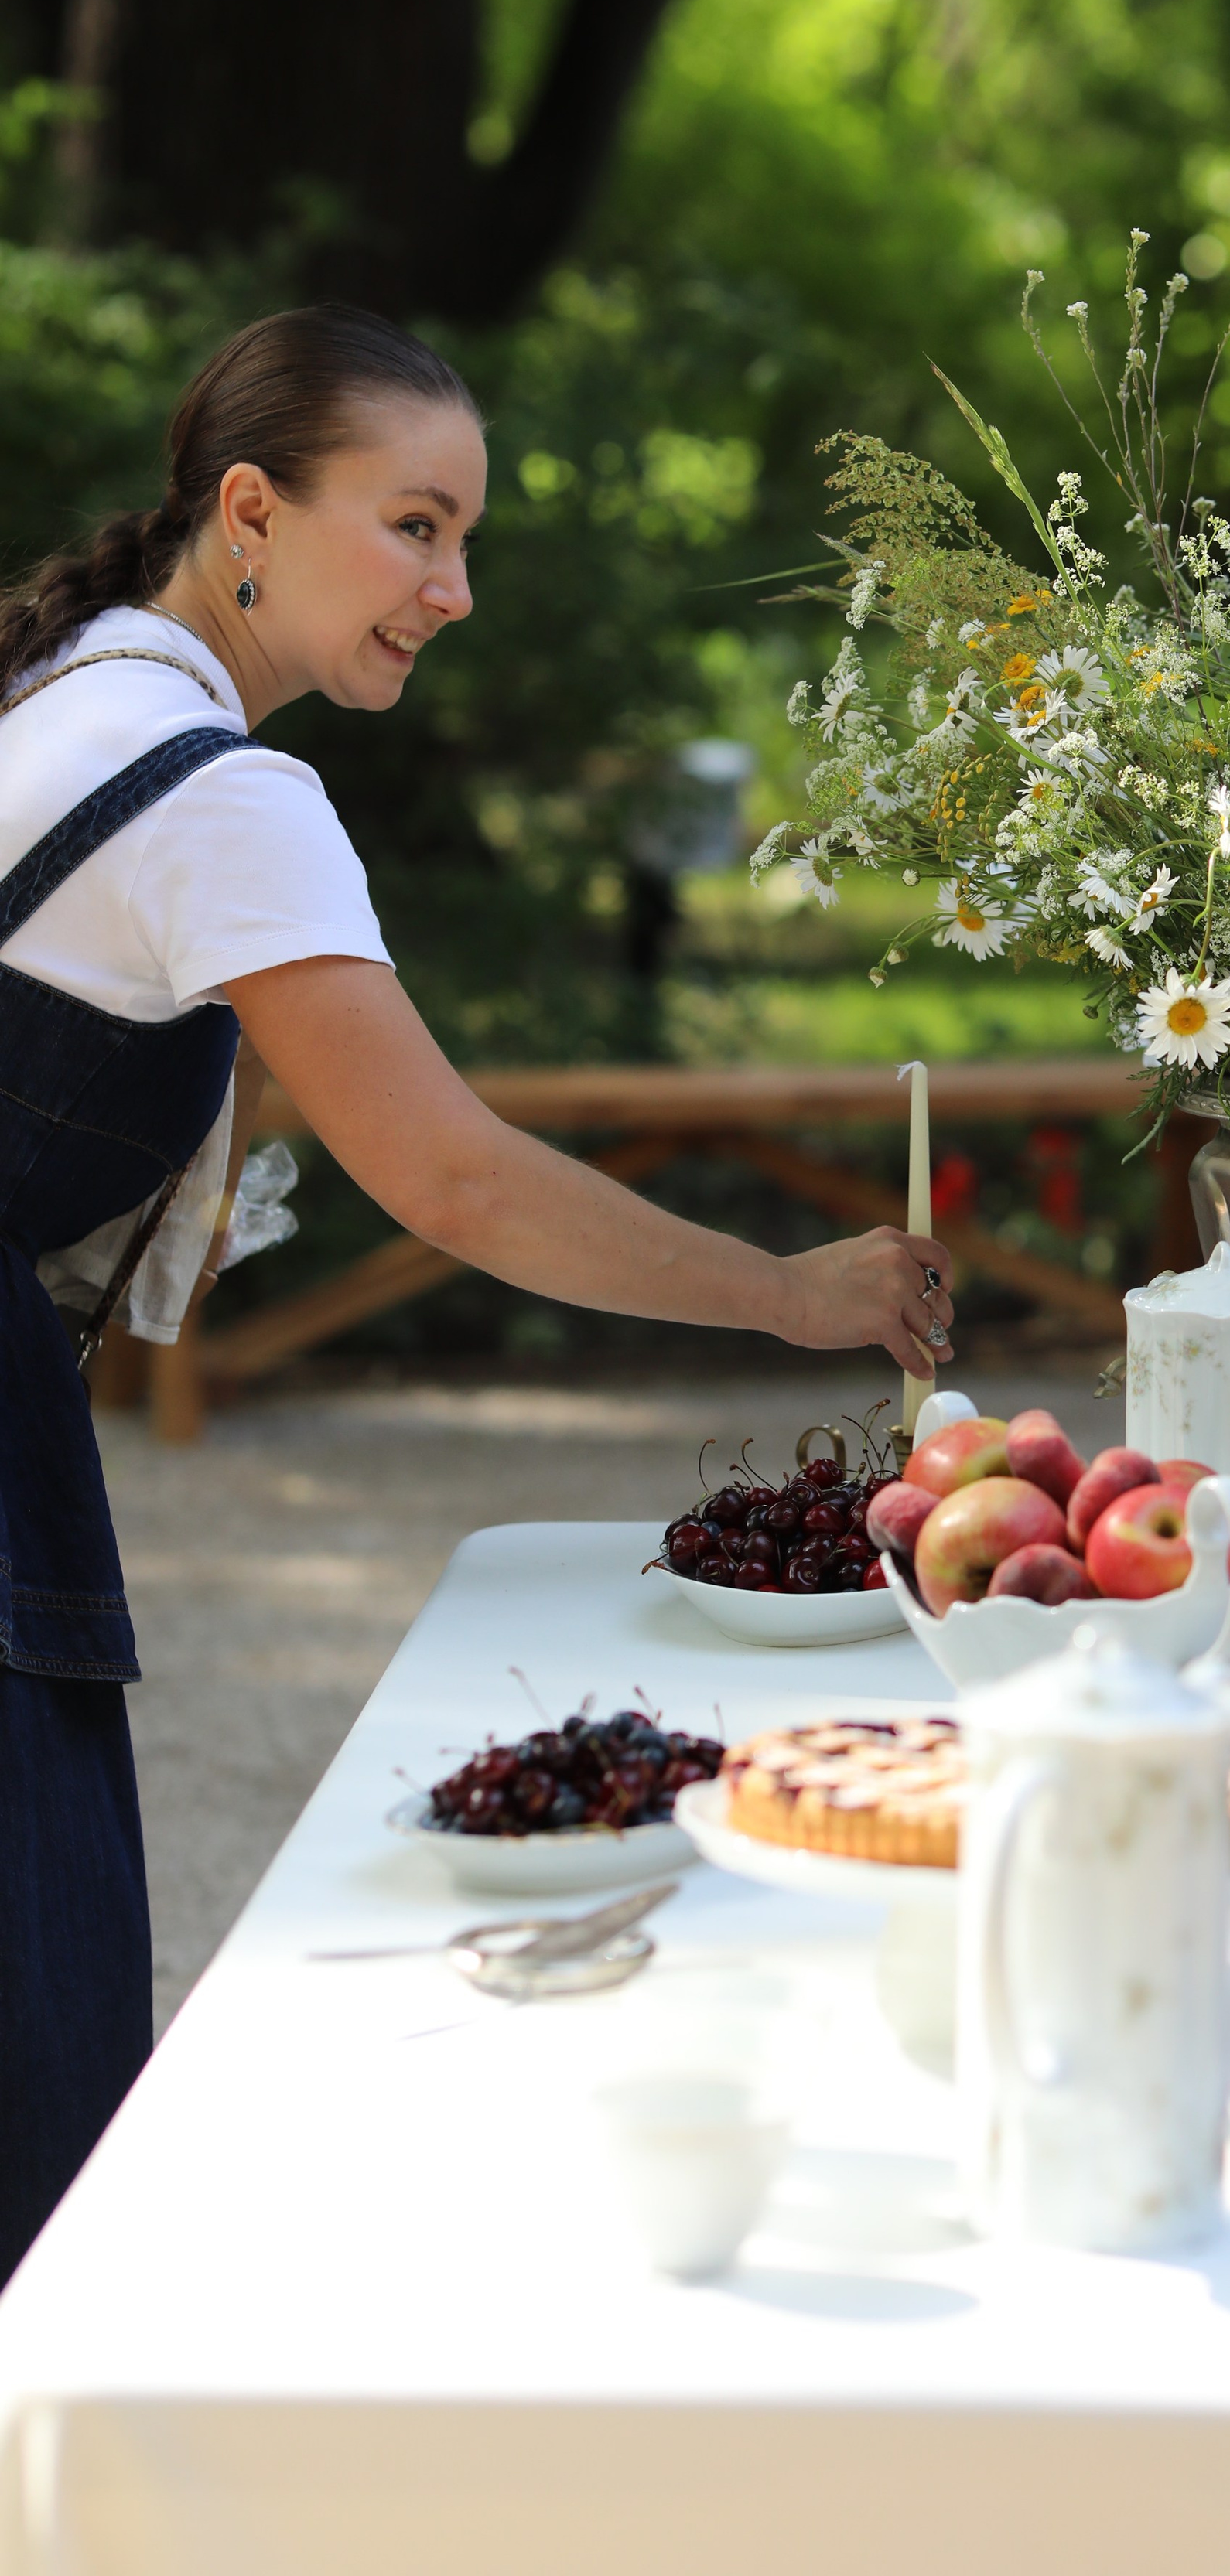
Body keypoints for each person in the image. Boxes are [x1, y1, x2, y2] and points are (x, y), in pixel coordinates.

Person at [0, 303, 955, 2279]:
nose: (454, 589)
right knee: (43, 2109)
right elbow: (448, 1175)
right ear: (249, 514)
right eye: (414, 527)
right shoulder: (217, 788)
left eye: (467, 538)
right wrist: (788, 1296)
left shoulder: (65, 689)